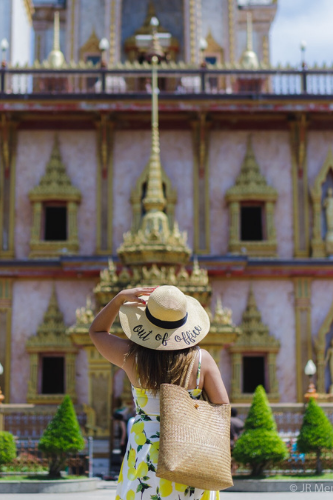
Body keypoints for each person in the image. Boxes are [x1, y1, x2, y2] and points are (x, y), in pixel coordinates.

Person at [89, 285, 229, 500]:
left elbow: (97, 331)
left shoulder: (131, 357)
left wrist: (118, 299)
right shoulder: (202, 360)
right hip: (190, 451)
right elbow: (221, 406)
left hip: (145, 449)